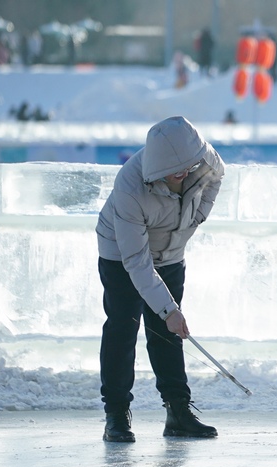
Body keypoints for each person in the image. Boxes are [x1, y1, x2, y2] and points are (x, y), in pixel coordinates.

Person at [96, 116, 225, 443]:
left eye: (187, 170)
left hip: (170, 250)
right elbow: (137, 262)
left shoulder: (202, 161)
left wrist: (193, 220)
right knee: (123, 325)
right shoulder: (130, 187)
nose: (182, 177)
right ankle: (116, 416)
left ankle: (178, 412)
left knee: (167, 335)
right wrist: (169, 310)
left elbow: (216, 177)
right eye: (176, 173)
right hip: (122, 252)